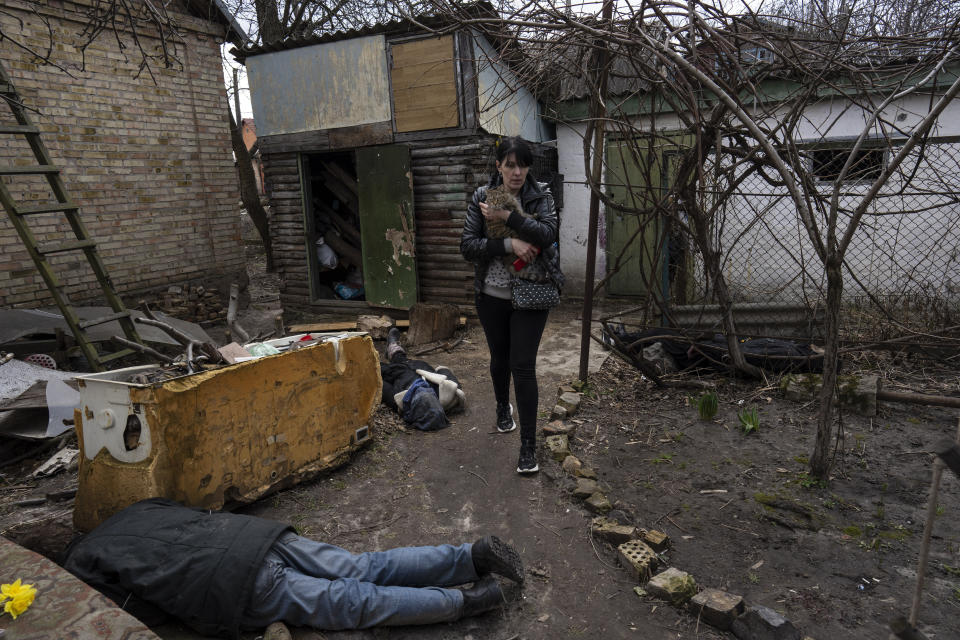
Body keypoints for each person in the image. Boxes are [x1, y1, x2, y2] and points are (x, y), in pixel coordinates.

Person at [62, 498, 524, 638]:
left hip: (234, 583)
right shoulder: (125, 513)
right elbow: (187, 510)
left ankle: (470, 600)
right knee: (363, 566)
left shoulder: (77, 574)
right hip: (255, 537)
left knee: (353, 603)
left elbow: (145, 618)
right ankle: (471, 555)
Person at [460, 136, 563, 475]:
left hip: (532, 294)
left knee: (523, 366)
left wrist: (508, 216)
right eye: (510, 165)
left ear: (529, 167)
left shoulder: (541, 196)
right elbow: (468, 245)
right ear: (498, 166)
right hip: (492, 294)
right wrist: (510, 243)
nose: (517, 172)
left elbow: (548, 234)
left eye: (522, 165)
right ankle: (503, 408)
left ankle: (528, 447)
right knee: (500, 359)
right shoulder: (480, 198)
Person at [380, 327, 465, 431]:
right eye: (428, 391)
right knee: (402, 359)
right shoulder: (449, 394)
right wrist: (440, 371)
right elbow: (447, 374)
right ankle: (393, 348)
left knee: (379, 365)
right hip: (422, 368)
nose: (422, 388)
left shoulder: (398, 400)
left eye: (418, 392)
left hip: (398, 372)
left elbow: (380, 384)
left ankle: (392, 348)